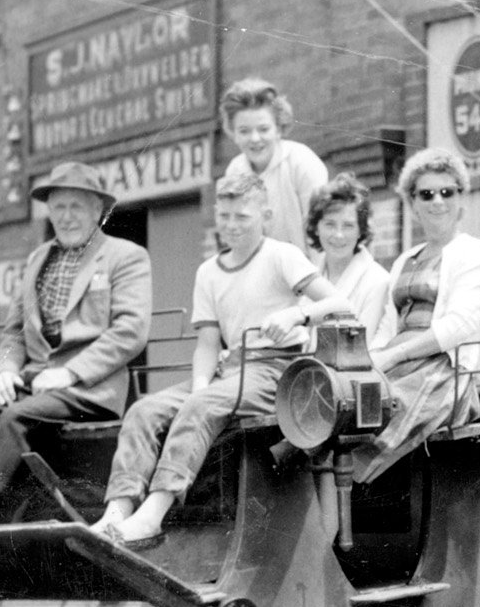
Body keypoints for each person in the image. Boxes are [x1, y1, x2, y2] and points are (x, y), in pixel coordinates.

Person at [92, 172, 354, 547]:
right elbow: (208, 343)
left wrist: (297, 315)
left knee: (201, 404)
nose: (232, 226)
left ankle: (151, 516)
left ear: (265, 215)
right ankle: (117, 511)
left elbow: (341, 303)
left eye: (242, 218)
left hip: (277, 371)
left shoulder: (281, 256)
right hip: (228, 372)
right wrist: (199, 386)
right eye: (225, 216)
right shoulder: (209, 272)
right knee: (143, 411)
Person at [0, 162, 151, 526]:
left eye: (76, 207)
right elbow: (14, 332)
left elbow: (131, 330)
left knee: (15, 416)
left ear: (98, 211)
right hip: (35, 384)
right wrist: (4, 371)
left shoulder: (125, 257)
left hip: (90, 390)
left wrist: (69, 374)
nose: (65, 217)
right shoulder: (38, 259)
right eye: (58, 208)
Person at [350, 148, 480, 483]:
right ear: (412, 204)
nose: (437, 201)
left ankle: (345, 492)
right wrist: (373, 357)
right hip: (398, 365)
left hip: (445, 370)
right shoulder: (405, 259)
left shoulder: (472, 252)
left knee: (379, 418)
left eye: (448, 192)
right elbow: (389, 322)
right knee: (348, 405)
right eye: (426, 194)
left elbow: (458, 326)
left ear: (462, 200)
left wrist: (394, 356)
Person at [221, 77, 328, 252]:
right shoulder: (235, 171)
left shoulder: (302, 162)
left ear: (278, 128)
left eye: (263, 129)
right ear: (233, 133)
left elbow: (320, 234)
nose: (255, 139)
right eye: (244, 131)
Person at [305, 173, 390, 341]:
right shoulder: (308, 277)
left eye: (348, 225)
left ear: (361, 230)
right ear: (316, 227)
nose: (338, 235)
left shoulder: (378, 282)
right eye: (330, 224)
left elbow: (363, 347)